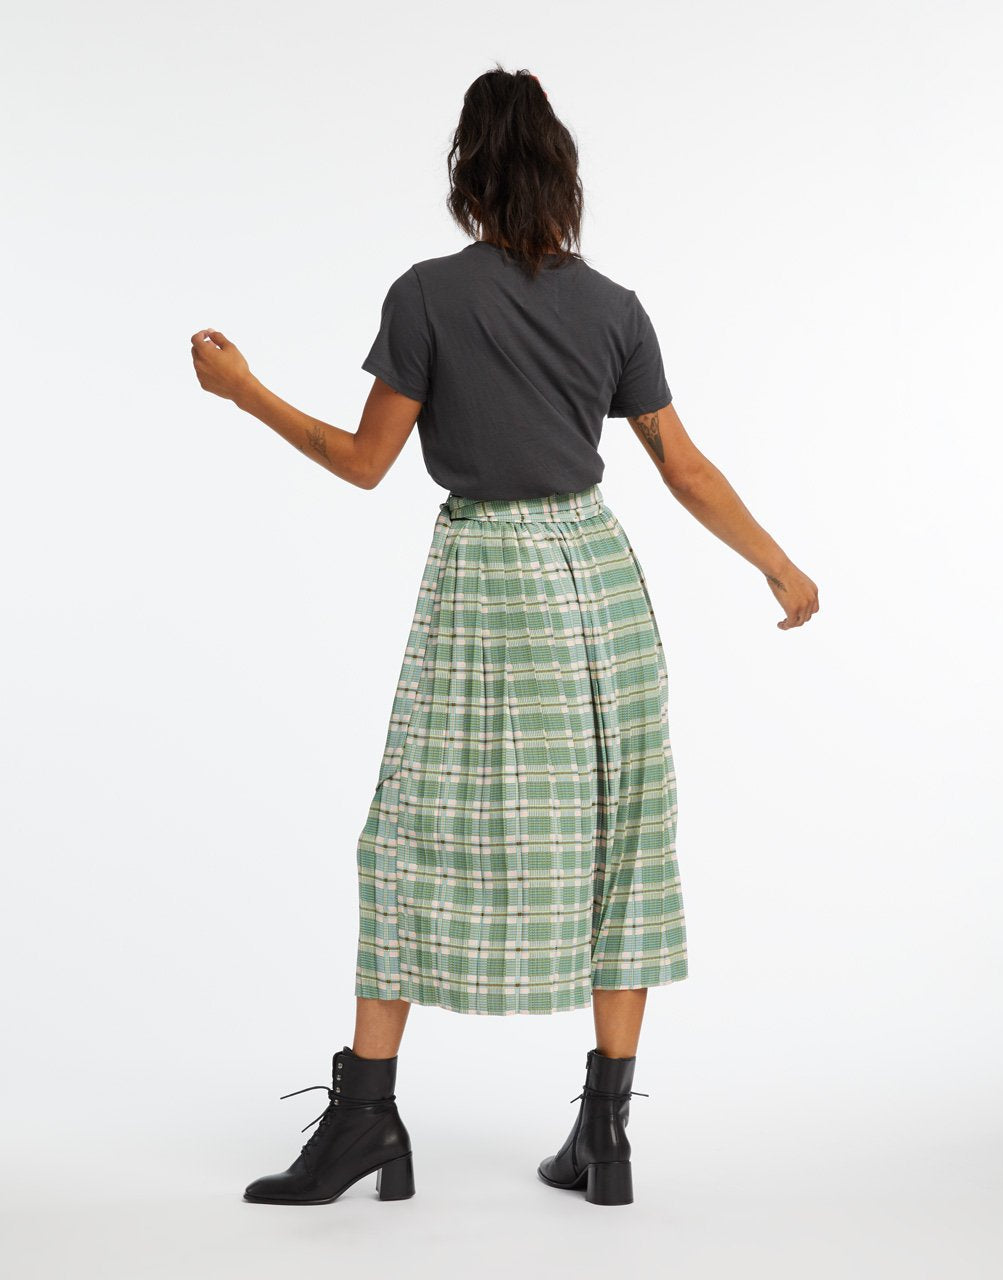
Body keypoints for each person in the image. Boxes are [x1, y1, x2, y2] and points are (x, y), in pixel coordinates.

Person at [190, 64, 819, 1210]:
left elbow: (363, 462)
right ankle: (605, 1134)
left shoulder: (427, 295)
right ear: (564, 176)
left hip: (489, 585)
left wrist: (245, 391)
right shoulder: (614, 306)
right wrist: (776, 562)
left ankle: (366, 1113)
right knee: (622, 837)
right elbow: (681, 467)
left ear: (465, 176)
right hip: (601, 587)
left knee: (405, 838)